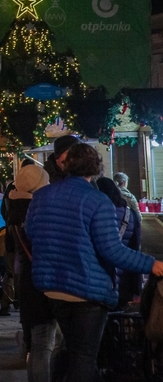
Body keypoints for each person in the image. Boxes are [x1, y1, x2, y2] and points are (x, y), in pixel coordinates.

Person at [27, 143, 163, 382]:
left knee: (72, 350)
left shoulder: (41, 197)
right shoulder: (98, 201)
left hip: (52, 286)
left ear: (66, 165)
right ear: (96, 168)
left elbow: (32, 233)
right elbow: (112, 250)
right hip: (87, 290)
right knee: (84, 357)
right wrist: (151, 264)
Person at [4, 164, 56, 382]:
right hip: (44, 279)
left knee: (36, 343)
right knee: (44, 343)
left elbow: (9, 246)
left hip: (26, 277)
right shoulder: (37, 211)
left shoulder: (14, 211)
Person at [96, 176, 143, 306]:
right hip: (124, 278)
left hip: (98, 278)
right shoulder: (130, 214)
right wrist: (137, 289)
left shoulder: (95, 213)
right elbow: (136, 250)